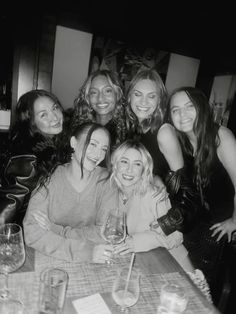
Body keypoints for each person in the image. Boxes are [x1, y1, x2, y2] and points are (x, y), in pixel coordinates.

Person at [97, 140, 211, 300]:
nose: (129, 169)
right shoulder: (112, 192)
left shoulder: (154, 195)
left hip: (176, 270)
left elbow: (176, 237)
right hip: (146, 267)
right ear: (115, 164)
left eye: (137, 164)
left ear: (144, 169)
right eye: (124, 161)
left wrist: (137, 242)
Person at [165, 86, 236, 298]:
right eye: (175, 110)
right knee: (178, 276)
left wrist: (234, 222)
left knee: (200, 286)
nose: (182, 114)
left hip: (216, 227)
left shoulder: (220, 137)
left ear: (202, 108)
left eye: (189, 107)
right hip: (194, 222)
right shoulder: (182, 142)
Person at [23, 122, 112, 263]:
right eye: (93, 144)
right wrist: (83, 252)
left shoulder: (107, 181)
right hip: (51, 258)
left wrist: (57, 230)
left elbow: (106, 233)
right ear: (73, 143)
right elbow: (32, 233)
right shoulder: (50, 176)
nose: (98, 154)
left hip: (93, 261)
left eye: (103, 149)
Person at [125, 69, 200, 236]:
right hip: (146, 208)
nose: (143, 101)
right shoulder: (136, 127)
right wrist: (154, 176)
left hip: (167, 217)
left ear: (160, 101)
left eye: (151, 96)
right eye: (138, 94)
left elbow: (188, 190)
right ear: (129, 96)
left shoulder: (164, 132)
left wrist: (168, 223)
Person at [0, 89, 66, 225]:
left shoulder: (56, 142)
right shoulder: (28, 158)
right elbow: (9, 205)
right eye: (43, 115)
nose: (54, 117)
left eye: (55, 108)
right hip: (27, 232)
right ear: (31, 122)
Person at [73, 69, 127, 151]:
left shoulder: (128, 129)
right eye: (94, 92)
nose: (100, 98)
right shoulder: (77, 123)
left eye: (107, 91)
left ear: (118, 94)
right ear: (88, 98)